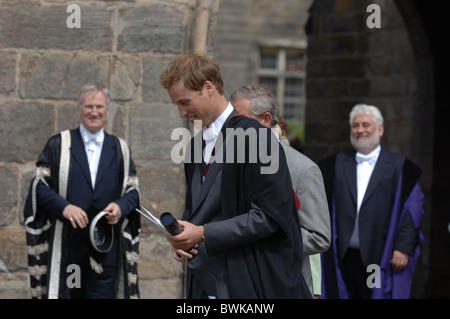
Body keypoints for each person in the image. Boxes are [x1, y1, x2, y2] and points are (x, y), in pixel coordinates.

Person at [159, 53, 312, 299]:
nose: (181, 113)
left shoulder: (258, 137)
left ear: (208, 88)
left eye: (185, 102)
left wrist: (204, 232)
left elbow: (270, 217)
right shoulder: (195, 146)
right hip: (203, 285)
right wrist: (183, 238)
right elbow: (197, 210)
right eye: (176, 104)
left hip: (250, 284)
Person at [23, 84, 141, 299]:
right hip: (71, 249)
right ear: (79, 108)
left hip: (106, 251)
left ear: (107, 110)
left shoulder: (120, 149)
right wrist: (64, 207)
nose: (94, 112)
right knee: (72, 294)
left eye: (99, 107)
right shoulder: (58, 145)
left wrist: (120, 207)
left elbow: (133, 191)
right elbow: (39, 186)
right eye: (89, 106)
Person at [230, 84, 331, 298]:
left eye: (241, 121)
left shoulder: (303, 169)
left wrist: (262, 235)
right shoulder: (230, 161)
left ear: (266, 120)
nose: (233, 129)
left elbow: (319, 236)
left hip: (285, 285)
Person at [318, 103, 425, 299]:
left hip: (377, 256)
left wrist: (403, 247)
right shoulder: (335, 164)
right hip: (342, 255)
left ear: (380, 129)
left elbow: (413, 208)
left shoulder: (399, 167)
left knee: (371, 294)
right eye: (355, 125)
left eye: (366, 125)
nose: (360, 130)